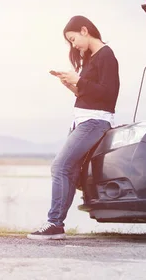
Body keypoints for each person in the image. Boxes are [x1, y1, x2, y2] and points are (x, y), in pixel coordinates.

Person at [27, 15, 120, 240]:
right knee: (68, 171)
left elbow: (109, 94)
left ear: (85, 30)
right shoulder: (90, 58)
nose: (73, 44)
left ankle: (54, 223)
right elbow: (88, 94)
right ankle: (56, 224)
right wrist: (71, 86)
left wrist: (78, 80)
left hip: (95, 121)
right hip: (83, 120)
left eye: (73, 38)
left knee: (60, 167)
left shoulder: (106, 55)